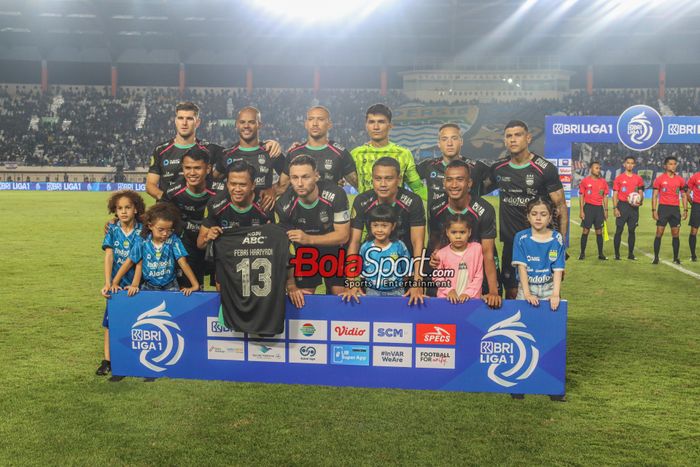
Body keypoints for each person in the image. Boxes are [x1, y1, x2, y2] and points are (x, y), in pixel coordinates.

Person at [491, 120, 566, 299]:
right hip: (511, 242)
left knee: (544, 292)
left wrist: (562, 245)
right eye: (509, 136)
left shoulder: (545, 169)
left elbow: (561, 207)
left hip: (541, 243)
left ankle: (545, 327)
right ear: (504, 141)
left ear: (528, 138)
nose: (513, 139)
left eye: (518, 135)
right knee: (511, 291)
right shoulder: (499, 169)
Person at [146, 102, 280, 202]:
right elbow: (150, 185)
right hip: (170, 210)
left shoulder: (212, 150)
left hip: (200, 212)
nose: (184, 123)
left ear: (197, 122)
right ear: (175, 121)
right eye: (180, 118)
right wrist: (165, 198)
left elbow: (238, 154)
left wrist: (269, 143)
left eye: (189, 119)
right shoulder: (161, 150)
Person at [348, 157, 426, 305]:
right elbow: (354, 242)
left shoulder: (413, 201)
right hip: (373, 268)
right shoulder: (362, 201)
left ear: (399, 179)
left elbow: (418, 242)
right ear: (372, 179)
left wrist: (418, 282)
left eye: (388, 179)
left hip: (404, 270)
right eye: (378, 179)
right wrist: (352, 282)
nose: (382, 184)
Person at [275, 155, 350, 302]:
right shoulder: (284, 205)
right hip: (305, 254)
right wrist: (290, 284)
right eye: (294, 178)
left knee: (340, 294)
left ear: (316, 176)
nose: (300, 183)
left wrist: (308, 239)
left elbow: (343, 236)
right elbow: (284, 249)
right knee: (303, 296)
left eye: (305, 177)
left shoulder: (336, 194)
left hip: (334, 250)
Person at [428, 160, 501, 308]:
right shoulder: (436, 208)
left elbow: (487, 253)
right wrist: (434, 255)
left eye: (460, 179)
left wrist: (493, 290)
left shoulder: (484, 210)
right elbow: (435, 240)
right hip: (448, 275)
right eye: (449, 179)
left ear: (469, 183)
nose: (454, 185)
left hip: (477, 275)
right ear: (444, 183)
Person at [96, 190, 145, 376]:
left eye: (128, 207)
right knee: (110, 323)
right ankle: (107, 361)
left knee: (137, 321)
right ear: (114, 211)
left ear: (136, 209)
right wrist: (108, 283)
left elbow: (139, 259)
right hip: (116, 286)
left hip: (136, 285)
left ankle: (134, 359)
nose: (123, 211)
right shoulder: (113, 230)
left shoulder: (142, 230)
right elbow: (109, 256)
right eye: (119, 208)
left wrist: (135, 283)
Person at [111, 203, 200, 295]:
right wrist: (115, 283)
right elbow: (129, 262)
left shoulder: (173, 240)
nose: (165, 233)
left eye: (169, 230)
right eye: (161, 229)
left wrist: (195, 285)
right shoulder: (142, 241)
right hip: (148, 286)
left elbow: (183, 262)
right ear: (150, 226)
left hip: (171, 286)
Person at [161, 148, 216, 287]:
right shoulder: (173, 191)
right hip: (187, 244)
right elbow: (158, 215)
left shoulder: (220, 190)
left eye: (197, 168)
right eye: (188, 168)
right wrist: (117, 222)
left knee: (222, 287)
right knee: (189, 288)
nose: (192, 173)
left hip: (214, 242)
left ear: (208, 168)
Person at [212, 107, 285, 211]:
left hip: (263, 216)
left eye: (251, 122)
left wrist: (274, 190)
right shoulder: (227, 155)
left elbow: (291, 179)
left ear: (259, 125)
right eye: (242, 122)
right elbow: (212, 182)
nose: (246, 126)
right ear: (237, 124)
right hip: (233, 217)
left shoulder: (271, 152)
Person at [351, 103, 427, 199]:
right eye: (371, 122)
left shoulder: (403, 154)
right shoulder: (356, 154)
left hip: (396, 212)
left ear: (390, 125)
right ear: (366, 125)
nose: (376, 127)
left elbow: (417, 188)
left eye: (381, 122)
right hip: (364, 211)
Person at [342, 204, 410, 301]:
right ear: (370, 226)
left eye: (384, 226)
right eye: (375, 225)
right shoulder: (365, 247)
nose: (379, 230)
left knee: (394, 315)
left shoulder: (399, 246)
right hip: (372, 291)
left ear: (393, 226)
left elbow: (406, 272)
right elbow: (361, 272)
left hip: (396, 291)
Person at [417, 123, 492, 211]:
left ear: (461, 141)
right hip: (437, 224)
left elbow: (497, 179)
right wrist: (424, 194)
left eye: (454, 138)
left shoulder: (476, 167)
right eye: (444, 139)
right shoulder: (428, 166)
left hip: (469, 223)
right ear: (439, 144)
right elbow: (407, 178)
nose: (449, 143)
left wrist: (480, 191)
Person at [197, 161, 271, 250]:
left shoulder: (266, 203)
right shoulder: (215, 204)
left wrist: (271, 233)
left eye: (243, 185)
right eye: (233, 184)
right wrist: (208, 237)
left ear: (253, 185)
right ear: (227, 184)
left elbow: (279, 242)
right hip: (228, 258)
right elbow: (200, 244)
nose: (237, 189)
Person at [281, 106, 358, 189]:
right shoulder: (294, 153)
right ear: (306, 124)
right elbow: (282, 186)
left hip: (331, 201)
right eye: (310, 119)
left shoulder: (340, 153)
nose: (315, 123)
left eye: (320, 119)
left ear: (329, 125)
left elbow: (358, 184)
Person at [512, 197, 565, 312]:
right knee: (524, 322)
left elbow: (558, 269)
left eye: (543, 214)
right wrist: (527, 294)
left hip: (549, 289)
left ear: (550, 218)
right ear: (528, 217)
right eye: (534, 214)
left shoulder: (557, 238)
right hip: (526, 288)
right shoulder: (521, 238)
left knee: (548, 324)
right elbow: (522, 267)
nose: (538, 218)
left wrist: (555, 294)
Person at [433, 214, 483, 304]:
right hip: (447, 300)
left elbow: (479, 275)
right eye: (454, 232)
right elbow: (437, 277)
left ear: (469, 232)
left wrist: (468, 293)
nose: (458, 236)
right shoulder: (441, 254)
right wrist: (449, 291)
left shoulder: (476, 249)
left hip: (471, 300)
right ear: (447, 232)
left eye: (462, 232)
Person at [651, 156, 688, 264]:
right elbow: (654, 195)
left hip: (675, 210)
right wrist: (654, 210)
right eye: (671, 164)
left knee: (676, 234)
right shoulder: (660, 179)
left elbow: (684, 195)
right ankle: (656, 257)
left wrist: (685, 210)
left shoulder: (680, 179)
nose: (673, 166)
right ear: (665, 166)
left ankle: (676, 258)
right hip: (663, 209)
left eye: (674, 164)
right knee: (659, 233)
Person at [612, 156, 645, 260]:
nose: (630, 165)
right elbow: (615, 194)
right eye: (628, 163)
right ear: (624, 164)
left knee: (632, 230)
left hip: (634, 208)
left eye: (632, 163)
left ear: (634, 165)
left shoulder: (638, 178)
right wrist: (615, 208)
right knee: (619, 230)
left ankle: (631, 254)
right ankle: (617, 255)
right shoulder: (619, 178)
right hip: (622, 206)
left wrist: (640, 201)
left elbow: (640, 192)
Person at [578, 161, 610, 260]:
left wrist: (606, 210)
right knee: (585, 230)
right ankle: (582, 253)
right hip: (588, 208)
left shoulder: (603, 182)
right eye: (596, 168)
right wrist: (581, 210)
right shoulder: (585, 181)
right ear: (590, 169)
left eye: (599, 168)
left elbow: (605, 196)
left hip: (599, 209)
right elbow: (581, 196)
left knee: (599, 232)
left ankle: (601, 254)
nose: (598, 170)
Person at [687, 168, 700, 261]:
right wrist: (693, 204)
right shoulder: (695, 177)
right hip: (697, 206)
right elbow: (687, 192)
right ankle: (693, 255)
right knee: (693, 231)